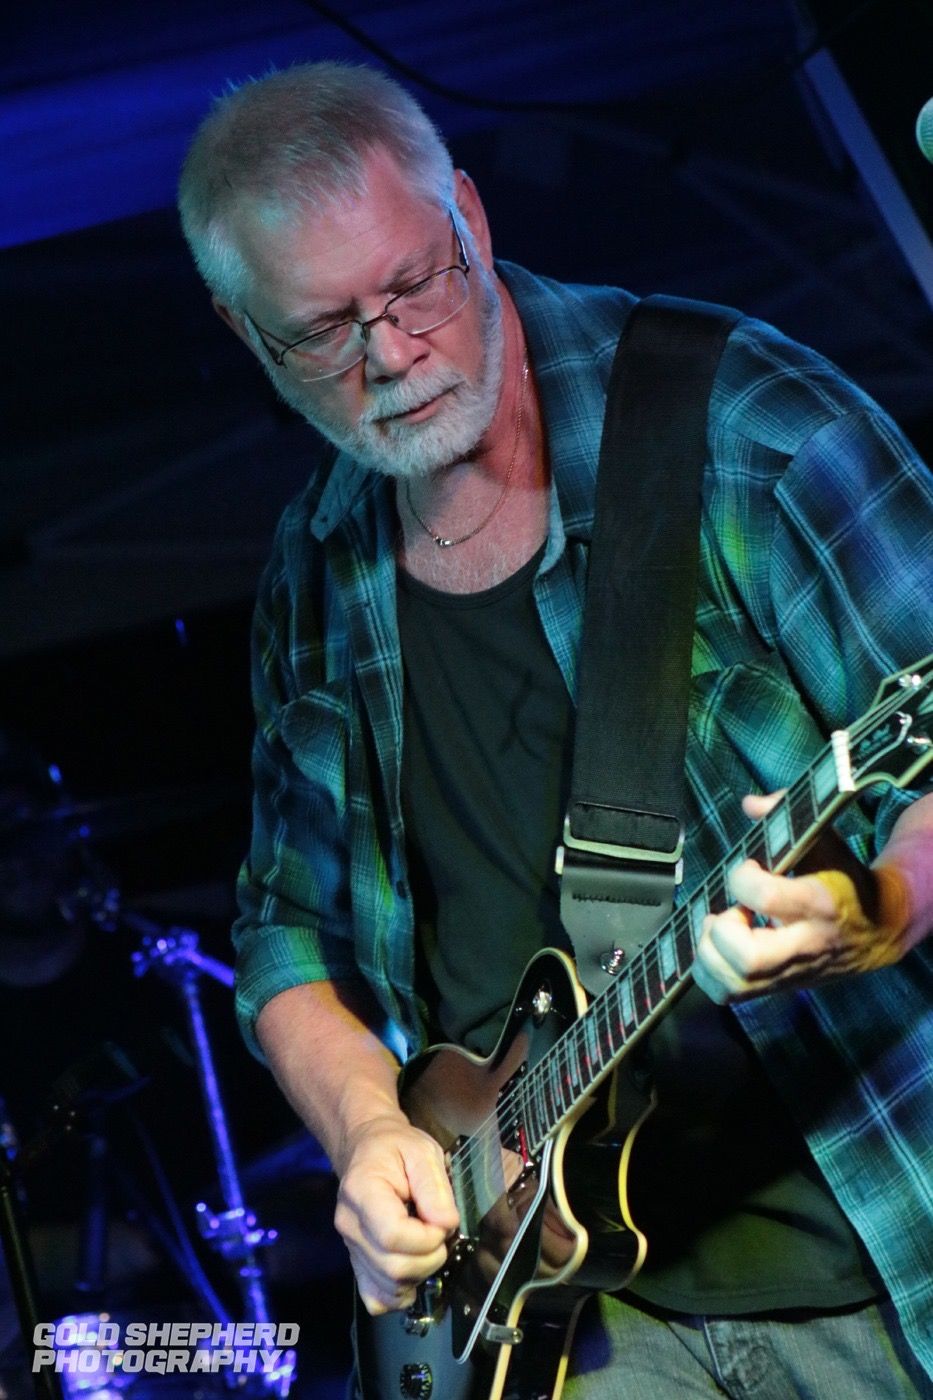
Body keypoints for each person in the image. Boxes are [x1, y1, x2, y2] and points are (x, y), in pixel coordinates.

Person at [177, 62, 933, 1397]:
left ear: (469, 215)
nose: (390, 354)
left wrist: (883, 906)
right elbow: (284, 939)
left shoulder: (740, 421)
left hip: (870, 1254)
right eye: (325, 331)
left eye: (415, 284)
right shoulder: (314, 565)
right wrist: (364, 1132)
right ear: (245, 333)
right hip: (558, 1324)